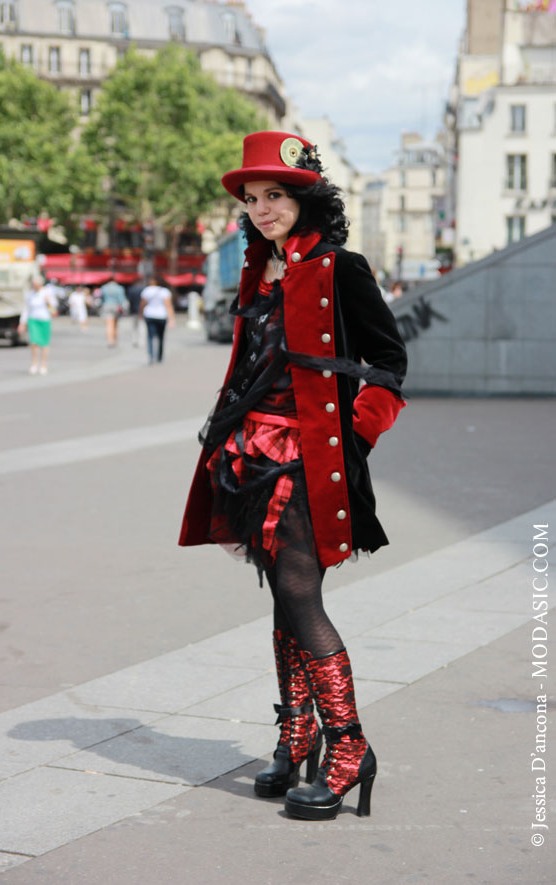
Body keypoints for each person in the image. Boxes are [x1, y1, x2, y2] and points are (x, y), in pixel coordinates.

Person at [179, 132, 407, 821]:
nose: (261, 209)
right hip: (252, 461)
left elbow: (389, 363)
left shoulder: (342, 268)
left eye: (274, 195)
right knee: (282, 594)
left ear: (304, 196)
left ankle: (348, 747)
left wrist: (351, 441)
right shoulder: (259, 272)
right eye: (252, 200)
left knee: (302, 594)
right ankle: (297, 733)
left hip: (310, 460)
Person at [18, 275, 58, 375]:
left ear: (41, 284)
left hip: (44, 320)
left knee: (44, 344)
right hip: (33, 320)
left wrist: (48, 302)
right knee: (34, 342)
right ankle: (34, 364)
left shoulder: (47, 293)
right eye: (34, 284)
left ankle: (43, 365)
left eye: (37, 284)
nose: (35, 286)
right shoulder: (30, 294)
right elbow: (26, 309)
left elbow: (53, 311)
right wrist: (22, 323)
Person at [140, 276, 175, 363]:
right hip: (161, 315)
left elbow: (142, 304)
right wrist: (172, 319)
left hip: (150, 314)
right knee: (161, 337)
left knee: (150, 336)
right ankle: (159, 357)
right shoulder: (165, 291)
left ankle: (151, 356)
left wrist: (140, 313)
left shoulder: (147, 290)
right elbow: (169, 306)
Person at [100, 276, 127, 346]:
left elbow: (102, 298)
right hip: (116, 306)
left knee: (109, 324)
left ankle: (110, 340)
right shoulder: (119, 288)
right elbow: (122, 299)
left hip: (107, 305)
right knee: (115, 324)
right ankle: (115, 340)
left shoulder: (104, 288)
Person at [126, 277, 146, 347]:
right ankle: (141, 341)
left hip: (133, 310)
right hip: (142, 311)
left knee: (134, 327)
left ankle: (134, 340)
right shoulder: (144, 289)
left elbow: (129, 300)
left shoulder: (131, 289)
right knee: (142, 326)